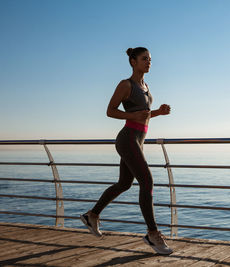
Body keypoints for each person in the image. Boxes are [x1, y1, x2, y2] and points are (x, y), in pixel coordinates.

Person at [80, 47, 173, 255]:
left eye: (150, 59)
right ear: (133, 61)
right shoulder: (126, 84)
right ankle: (153, 234)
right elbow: (110, 111)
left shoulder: (146, 86)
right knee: (147, 181)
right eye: (144, 59)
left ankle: (91, 215)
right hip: (128, 139)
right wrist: (132, 117)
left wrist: (158, 112)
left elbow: (143, 115)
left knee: (124, 183)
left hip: (137, 141)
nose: (148, 62)